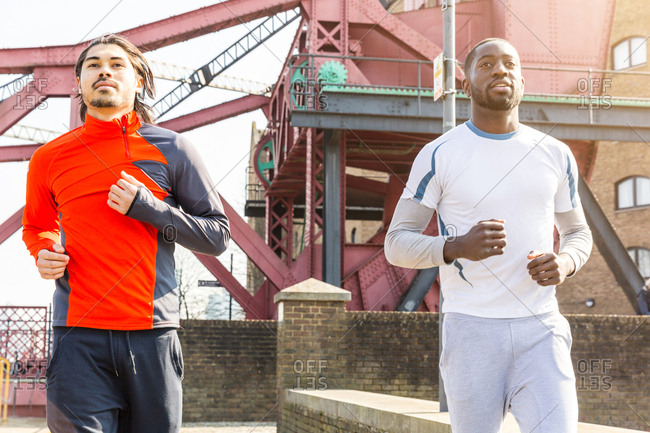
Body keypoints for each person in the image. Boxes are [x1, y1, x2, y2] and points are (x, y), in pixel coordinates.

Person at [22, 34, 230, 432]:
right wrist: (43, 250)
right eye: (93, 64)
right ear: (78, 84)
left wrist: (148, 208)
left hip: (153, 336)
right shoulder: (47, 158)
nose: (105, 70)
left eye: (118, 64)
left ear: (138, 81)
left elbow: (217, 235)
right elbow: (37, 226)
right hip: (77, 337)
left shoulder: (173, 149)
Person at [385, 38, 592, 433]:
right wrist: (456, 247)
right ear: (466, 86)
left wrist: (565, 262)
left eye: (510, 64)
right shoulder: (439, 153)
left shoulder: (555, 153)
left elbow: (577, 232)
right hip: (472, 329)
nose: (501, 70)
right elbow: (397, 242)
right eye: (487, 64)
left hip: (541, 327)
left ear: (522, 82)